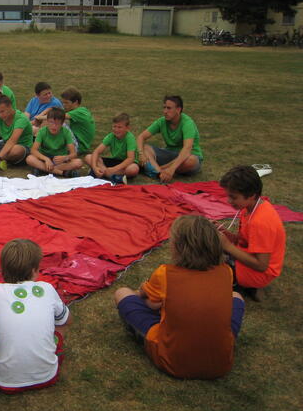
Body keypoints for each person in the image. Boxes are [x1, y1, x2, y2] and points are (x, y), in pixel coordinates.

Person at [113, 215, 245, 379]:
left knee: (123, 293)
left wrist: (148, 297)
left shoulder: (166, 273)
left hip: (173, 361)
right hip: (220, 364)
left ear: (178, 247)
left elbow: (148, 302)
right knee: (236, 296)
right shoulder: (226, 272)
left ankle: (154, 340)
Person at [0, 239, 70, 393]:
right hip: (48, 376)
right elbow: (65, 320)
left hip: (3, 380)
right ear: (34, 270)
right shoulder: (48, 288)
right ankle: (44, 351)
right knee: (61, 322)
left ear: (2, 269)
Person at [216, 166, 286, 300]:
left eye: (233, 197)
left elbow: (261, 265)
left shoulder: (260, 222)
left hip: (260, 273)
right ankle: (242, 284)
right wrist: (227, 235)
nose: (228, 201)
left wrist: (227, 246)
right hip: (248, 258)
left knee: (206, 263)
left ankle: (244, 285)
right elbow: (245, 241)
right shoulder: (250, 207)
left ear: (252, 195)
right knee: (208, 244)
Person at [136, 95, 202, 182]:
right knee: (145, 148)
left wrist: (172, 168)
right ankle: (159, 173)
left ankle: (155, 169)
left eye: (169, 108)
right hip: (170, 154)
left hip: (187, 157)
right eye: (164, 108)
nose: (165, 111)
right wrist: (141, 154)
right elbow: (141, 137)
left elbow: (187, 149)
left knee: (191, 160)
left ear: (178, 110)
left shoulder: (187, 123)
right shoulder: (162, 121)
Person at [26, 107, 82, 177]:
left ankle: (42, 169)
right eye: (51, 122)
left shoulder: (66, 132)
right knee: (29, 159)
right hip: (44, 158)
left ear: (62, 124)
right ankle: (62, 173)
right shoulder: (42, 131)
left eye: (57, 124)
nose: (54, 126)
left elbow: (74, 154)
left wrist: (65, 158)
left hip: (60, 161)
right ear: (47, 121)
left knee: (78, 162)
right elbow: (33, 150)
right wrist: (46, 159)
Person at [86, 113, 140, 184]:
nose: (116, 130)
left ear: (127, 128)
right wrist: (94, 167)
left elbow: (130, 159)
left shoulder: (130, 138)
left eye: (119, 127)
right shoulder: (111, 136)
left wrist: (114, 169)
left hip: (127, 163)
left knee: (133, 169)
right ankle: (112, 176)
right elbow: (96, 151)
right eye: (114, 126)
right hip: (114, 160)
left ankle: (102, 172)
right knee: (88, 157)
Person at [60, 87, 96, 156]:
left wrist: (38, 118)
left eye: (66, 103)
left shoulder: (78, 112)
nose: (64, 105)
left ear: (75, 102)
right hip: (79, 144)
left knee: (55, 121)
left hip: (79, 146)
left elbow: (55, 116)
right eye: (63, 102)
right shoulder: (82, 110)